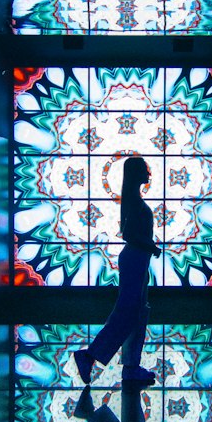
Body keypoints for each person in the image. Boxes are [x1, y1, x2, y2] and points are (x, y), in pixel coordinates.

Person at [74, 155, 160, 388]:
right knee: (128, 313)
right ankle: (90, 356)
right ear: (135, 173)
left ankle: (131, 367)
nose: (148, 174)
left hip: (137, 259)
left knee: (137, 313)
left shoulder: (132, 200)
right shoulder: (134, 202)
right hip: (135, 258)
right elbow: (130, 235)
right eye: (144, 170)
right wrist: (151, 246)